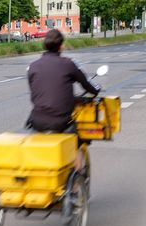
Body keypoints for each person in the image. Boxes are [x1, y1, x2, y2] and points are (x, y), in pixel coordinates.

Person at [27, 29, 101, 169]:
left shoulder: (33, 66)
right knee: (78, 142)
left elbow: (38, 92)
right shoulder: (68, 64)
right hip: (61, 122)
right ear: (61, 46)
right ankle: (76, 184)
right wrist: (96, 90)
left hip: (38, 122)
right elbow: (86, 83)